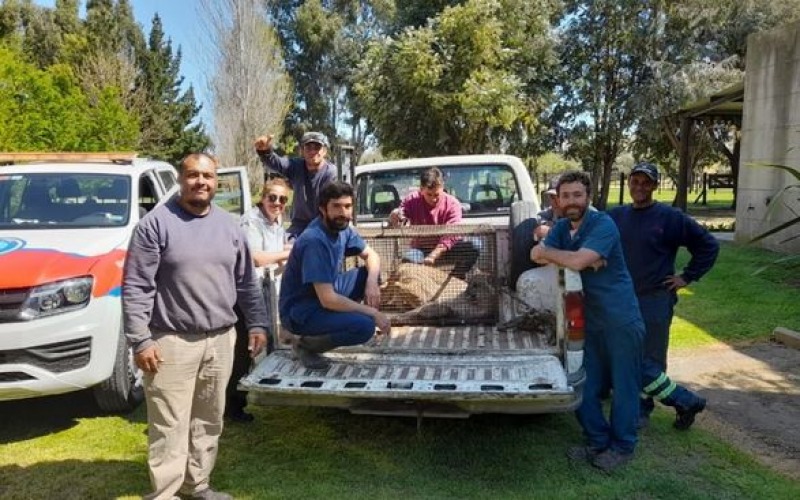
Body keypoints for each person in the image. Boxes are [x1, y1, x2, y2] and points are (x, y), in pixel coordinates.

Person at [123, 153, 269, 500]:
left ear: (216, 181)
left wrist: (259, 322)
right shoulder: (155, 225)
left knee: (208, 420)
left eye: (207, 175)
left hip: (220, 340)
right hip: (171, 341)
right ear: (180, 179)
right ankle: (165, 493)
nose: (200, 181)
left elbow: (247, 282)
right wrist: (141, 340)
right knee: (169, 424)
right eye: (192, 175)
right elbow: (136, 287)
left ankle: (197, 485)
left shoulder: (230, 226)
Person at [530, 170, 643, 473]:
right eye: (565, 195)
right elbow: (535, 254)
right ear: (558, 199)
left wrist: (562, 255)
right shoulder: (564, 228)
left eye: (577, 195)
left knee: (624, 384)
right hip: (587, 321)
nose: (571, 201)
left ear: (588, 197)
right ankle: (596, 440)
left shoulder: (603, 224)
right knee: (583, 381)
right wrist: (574, 255)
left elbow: (568, 259)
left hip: (619, 318)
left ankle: (622, 446)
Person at [609, 161, 719, 430]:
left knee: (652, 358)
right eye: (635, 181)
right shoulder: (616, 216)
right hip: (624, 299)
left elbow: (708, 245)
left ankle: (644, 409)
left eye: (646, 182)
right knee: (627, 355)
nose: (639, 187)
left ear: (655, 186)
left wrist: (686, 277)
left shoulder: (670, 218)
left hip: (655, 298)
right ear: (628, 183)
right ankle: (685, 401)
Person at [279, 181, 391, 370]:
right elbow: (328, 299)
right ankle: (305, 345)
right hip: (301, 310)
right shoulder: (314, 240)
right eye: (336, 206)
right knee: (364, 327)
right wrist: (373, 313)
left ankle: (341, 318)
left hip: (325, 292)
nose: (343, 213)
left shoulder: (343, 229)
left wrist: (371, 283)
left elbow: (372, 255)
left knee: (370, 273)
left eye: (347, 206)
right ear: (323, 209)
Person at [225, 177, 292, 423]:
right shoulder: (251, 221)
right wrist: (288, 252)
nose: (277, 203)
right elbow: (255, 258)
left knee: (259, 346)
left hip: (265, 292)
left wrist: (285, 252)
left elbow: (275, 254)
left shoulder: (277, 221)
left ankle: (249, 395)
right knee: (244, 349)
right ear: (262, 197)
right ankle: (232, 408)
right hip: (245, 293)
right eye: (272, 197)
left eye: (282, 199)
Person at [388, 167, 479, 279]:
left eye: (436, 195)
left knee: (475, 245)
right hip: (421, 250)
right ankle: (420, 284)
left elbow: (451, 234)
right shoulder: (411, 200)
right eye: (429, 195)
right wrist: (396, 216)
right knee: (408, 260)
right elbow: (401, 215)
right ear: (421, 189)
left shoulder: (453, 204)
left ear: (442, 188)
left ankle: (455, 278)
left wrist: (434, 255)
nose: (433, 199)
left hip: (449, 249)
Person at [254, 131, 337, 239]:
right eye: (308, 147)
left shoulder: (330, 172)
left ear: (324, 151)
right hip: (298, 226)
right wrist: (265, 151)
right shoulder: (296, 166)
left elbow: (331, 205)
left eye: (317, 147)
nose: (312, 151)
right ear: (302, 151)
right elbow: (276, 163)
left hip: (323, 225)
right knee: (282, 246)